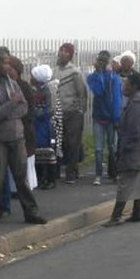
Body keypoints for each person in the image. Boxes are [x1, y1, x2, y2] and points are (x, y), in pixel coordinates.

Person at [0, 48, 47, 225]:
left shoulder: (13, 83)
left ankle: (31, 211)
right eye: (4, 62)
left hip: (17, 136)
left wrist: (9, 109)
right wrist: (11, 104)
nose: (8, 66)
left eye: (9, 62)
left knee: (21, 177)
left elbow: (24, 108)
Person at [103, 73, 140, 227]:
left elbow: (133, 131)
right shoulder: (137, 102)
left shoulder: (136, 106)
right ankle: (137, 212)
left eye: (126, 84)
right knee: (138, 179)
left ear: (134, 86)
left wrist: (124, 147)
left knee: (125, 182)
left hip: (133, 149)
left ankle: (116, 216)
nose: (123, 87)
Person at [87, 50, 121, 184]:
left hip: (111, 118)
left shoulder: (114, 77)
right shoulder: (92, 77)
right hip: (98, 118)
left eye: (103, 61)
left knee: (112, 147)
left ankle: (114, 173)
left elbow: (117, 99)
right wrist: (99, 73)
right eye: (99, 60)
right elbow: (98, 91)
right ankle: (98, 174)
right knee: (98, 148)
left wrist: (117, 117)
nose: (100, 63)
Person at [55, 43, 87, 184]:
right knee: (61, 142)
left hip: (73, 112)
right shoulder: (54, 71)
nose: (62, 53)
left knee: (73, 142)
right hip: (58, 111)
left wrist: (80, 110)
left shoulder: (75, 72)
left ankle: (71, 172)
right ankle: (66, 168)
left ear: (70, 55)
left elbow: (82, 92)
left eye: (65, 52)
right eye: (61, 51)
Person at [31, 64, 63, 190]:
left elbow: (51, 109)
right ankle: (42, 178)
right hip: (39, 125)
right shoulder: (38, 90)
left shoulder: (48, 91)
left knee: (49, 150)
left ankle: (51, 179)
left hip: (46, 125)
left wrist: (36, 113)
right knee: (40, 150)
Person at [8, 56, 38, 191]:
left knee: (25, 160)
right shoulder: (5, 86)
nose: (9, 73)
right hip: (10, 130)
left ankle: (27, 187)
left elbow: (30, 110)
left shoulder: (24, 87)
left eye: (11, 70)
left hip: (24, 128)